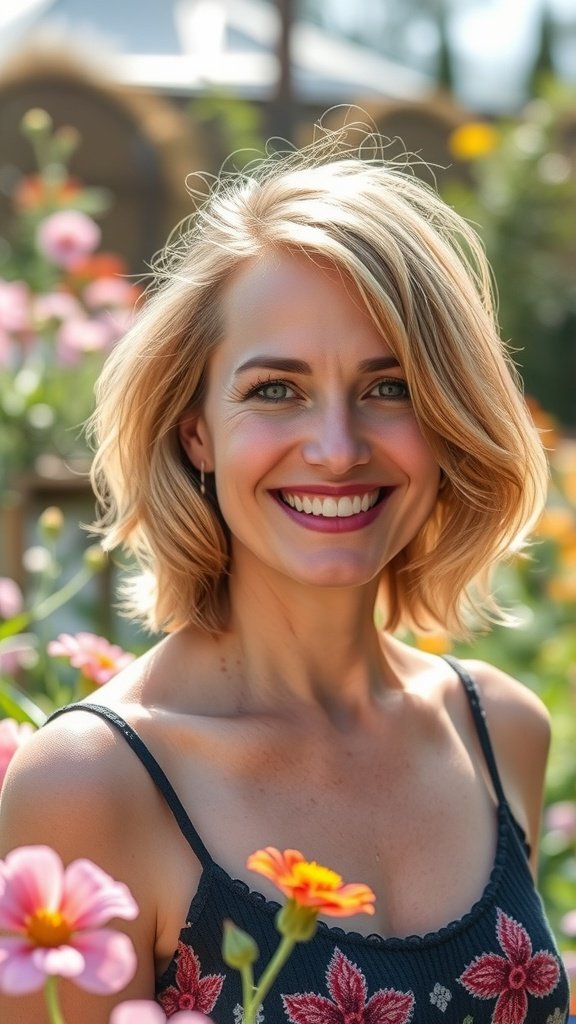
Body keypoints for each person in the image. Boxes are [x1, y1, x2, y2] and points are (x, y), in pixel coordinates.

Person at [0, 119, 570, 1024]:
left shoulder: (498, 732)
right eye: (277, 390)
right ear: (197, 431)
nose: (338, 449)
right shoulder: (92, 783)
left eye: (392, 388)